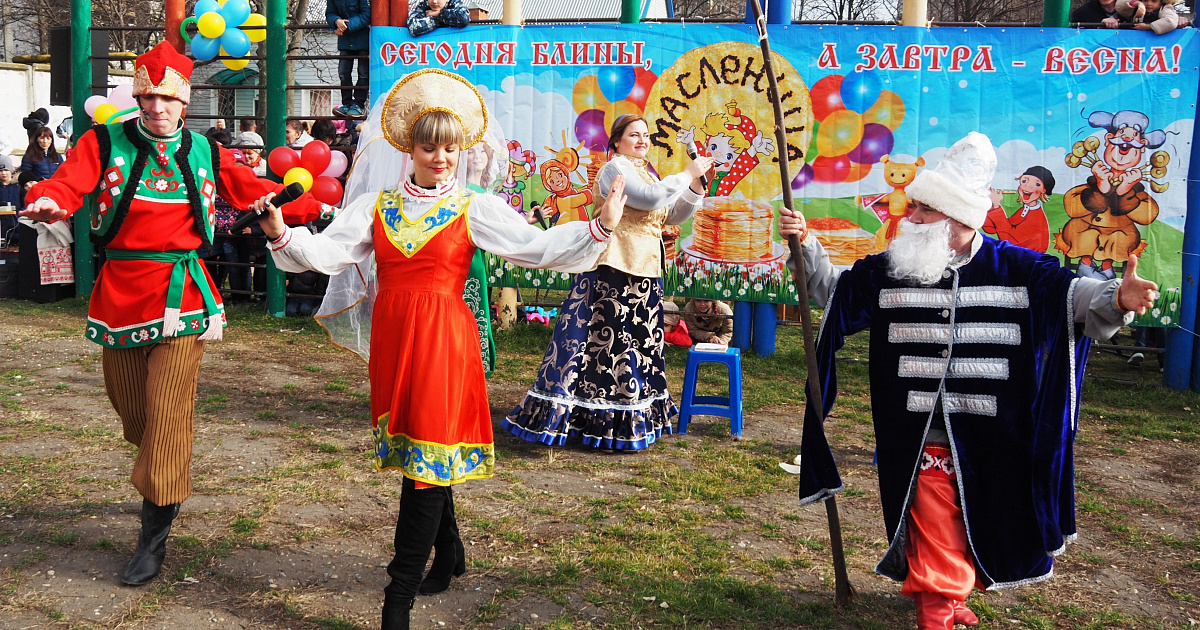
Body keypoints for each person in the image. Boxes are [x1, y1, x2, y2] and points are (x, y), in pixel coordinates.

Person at [254, 68, 627, 630]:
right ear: (410, 149)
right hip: (393, 341)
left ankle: (397, 598)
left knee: (425, 462)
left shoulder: (474, 207)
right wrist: (280, 231)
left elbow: (536, 247)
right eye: (430, 148)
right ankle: (449, 552)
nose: (441, 158)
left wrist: (598, 227)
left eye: (451, 149)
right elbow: (329, 254)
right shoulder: (375, 206)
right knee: (420, 453)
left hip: (444, 344)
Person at [779, 132, 1157, 630]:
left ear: (959, 219)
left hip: (994, 434)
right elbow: (835, 292)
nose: (910, 217)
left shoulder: (1018, 269)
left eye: (924, 210)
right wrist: (804, 245)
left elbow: (1074, 296)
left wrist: (1118, 298)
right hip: (916, 432)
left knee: (973, 514)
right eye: (914, 207)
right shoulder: (893, 268)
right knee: (932, 514)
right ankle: (937, 607)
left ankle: (952, 592)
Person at [19, 41, 331, 589]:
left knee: (167, 412)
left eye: (168, 98)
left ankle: (154, 531)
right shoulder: (103, 141)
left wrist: (318, 205)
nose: (157, 107)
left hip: (181, 295)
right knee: (133, 410)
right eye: (149, 97)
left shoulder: (206, 150)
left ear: (184, 102)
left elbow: (255, 190)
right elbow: (70, 183)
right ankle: (161, 467)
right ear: (139, 98)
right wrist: (50, 198)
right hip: (119, 291)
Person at [502, 114, 714, 452]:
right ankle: (594, 417)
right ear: (616, 141)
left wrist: (695, 188)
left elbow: (670, 215)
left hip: (645, 270)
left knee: (640, 345)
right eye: (634, 134)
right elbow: (649, 198)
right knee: (611, 347)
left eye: (646, 135)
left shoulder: (647, 173)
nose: (642, 140)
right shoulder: (613, 170)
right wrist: (686, 173)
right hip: (613, 269)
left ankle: (632, 413)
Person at [328, 0, 371, 118]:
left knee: (363, 73)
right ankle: (346, 104)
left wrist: (345, 26)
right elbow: (330, 13)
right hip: (345, 40)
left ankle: (358, 104)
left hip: (363, 40)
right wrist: (336, 21)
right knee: (343, 73)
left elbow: (367, 14)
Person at [1116, 0, 1188, 32]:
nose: (1149, 4)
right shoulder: (1135, 8)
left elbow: (1171, 22)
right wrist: (1138, 4)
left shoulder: (1164, 9)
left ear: (1161, 2)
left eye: (1154, 1)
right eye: (1145, 0)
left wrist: (1148, 26)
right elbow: (1119, 5)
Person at [0, 156, 19, 245]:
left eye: (6, 170)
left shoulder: (19, 187)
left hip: (17, 226)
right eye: (1, 170)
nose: (3, 173)